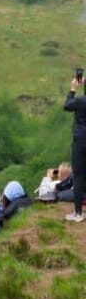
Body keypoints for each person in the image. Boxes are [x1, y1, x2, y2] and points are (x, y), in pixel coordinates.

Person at [64, 74, 86, 221]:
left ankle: (78, 213)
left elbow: (67, 105)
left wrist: (73, 89)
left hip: (81, 142)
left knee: (78, 176)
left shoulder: (80, 101)